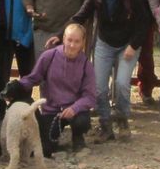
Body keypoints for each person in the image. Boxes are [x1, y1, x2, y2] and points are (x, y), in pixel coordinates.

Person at [72, 0, 148, 140]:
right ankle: (105, 123)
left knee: (121, 83)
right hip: (105, 43)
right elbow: (79, 17)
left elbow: (143, 23)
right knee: (99, 87)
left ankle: (122, 118)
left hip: (127, 44)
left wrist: (133, 45)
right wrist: (61, 35)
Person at [16, 22, 99, 155]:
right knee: (46, 149)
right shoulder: (49, 56)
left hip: (74, 110)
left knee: (82, 122)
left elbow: (90, 97)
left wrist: (74, 108)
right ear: (63, 39)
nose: (72, 45)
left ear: (83, 43)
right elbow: (33, 78)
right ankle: (52, 141)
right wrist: (17, 86)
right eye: (69, 40)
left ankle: (78, 137)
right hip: (52, 110)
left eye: (77, 41)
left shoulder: (86, 65)